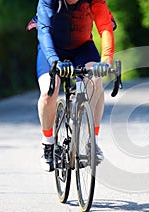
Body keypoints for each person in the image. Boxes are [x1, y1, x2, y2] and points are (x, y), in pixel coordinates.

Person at [34, 0, 115, 172]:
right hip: (52, 49)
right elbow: (44, 32)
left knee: (95, 80)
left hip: (83, 47)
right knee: (49, 90)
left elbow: (105, 27)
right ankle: (48, 144)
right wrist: (54, 61)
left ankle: (91, 141)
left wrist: (107, 60)